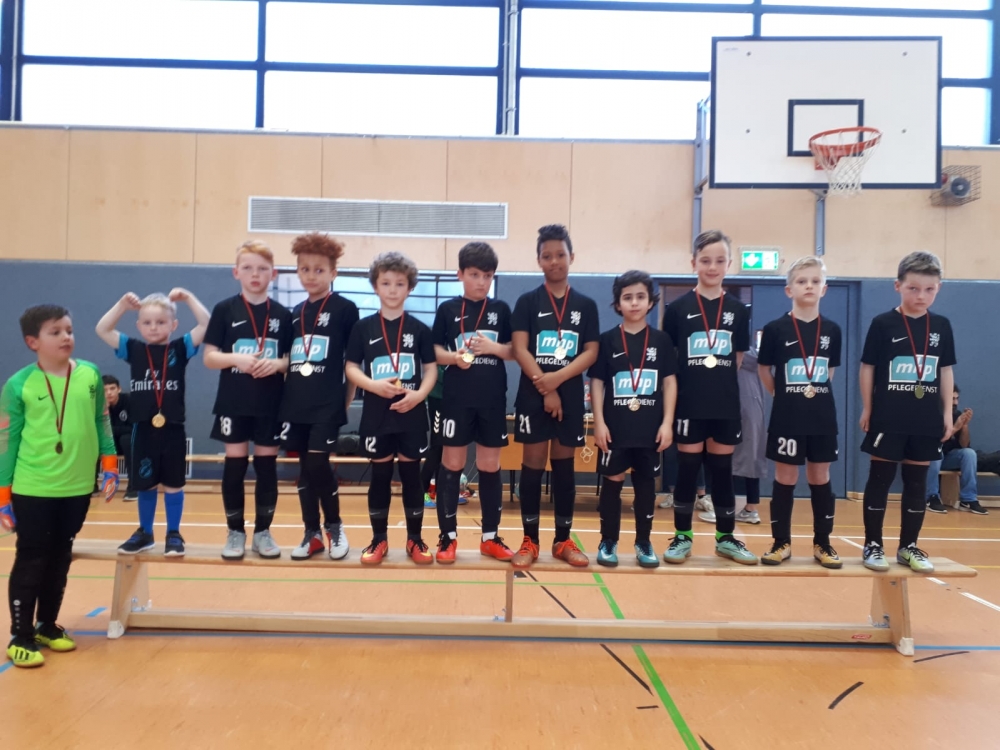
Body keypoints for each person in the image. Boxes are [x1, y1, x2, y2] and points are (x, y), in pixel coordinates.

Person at [2, 305, 119, 668]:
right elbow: (7, 440)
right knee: (32, 557)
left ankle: (47, 625)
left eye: (68, 330)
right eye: (55, 332)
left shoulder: (90, 375)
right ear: (33, 342)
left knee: (60, 556)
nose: (66, 337)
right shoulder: (18, 384)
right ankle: (20, 635)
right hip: (33, 488)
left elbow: (101, 421)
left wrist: (110, 464)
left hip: (77, 487)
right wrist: (3, 494)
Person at [661, 229, 757, 565]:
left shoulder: (738, 310)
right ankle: (682, 537)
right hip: (689, 402)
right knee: (688, 470)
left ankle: (726, 538)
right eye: (705, 260)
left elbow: (738, 359)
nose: (712, 267)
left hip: (724, 404)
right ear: (693, 263)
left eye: (719, 260)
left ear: (729, 264)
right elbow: (670, 360)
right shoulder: (678, 309)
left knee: (722, 471)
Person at [859, 251, 956, 573]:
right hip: (888, 416)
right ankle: (873, 544)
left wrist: (946, 414)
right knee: (880, 480)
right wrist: (868, 407)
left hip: (925, 419)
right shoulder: (883, 323)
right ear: (898, 286)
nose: (921, 296)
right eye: (913, 288)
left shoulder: (941, 325)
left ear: (938, 288)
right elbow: (868, 367)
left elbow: (945, 371)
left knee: (917, 483)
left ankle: (908, 546)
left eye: (929, 289)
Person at [510, 224, 600, 569]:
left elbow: (590, 351)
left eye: (560, 254)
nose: (554, 261)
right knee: (532, 466)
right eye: (547, 256)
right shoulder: (527, 302)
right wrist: (545, 388)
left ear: (571, 257)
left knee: (564, 468)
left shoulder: (586, 305)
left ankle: (563, 539)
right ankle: (530, 540)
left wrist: (557, 381)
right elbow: (520, 349)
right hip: (533, 394)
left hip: (570, 393)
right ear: (538, 261)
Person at [96, 289, 209, 557]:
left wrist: (189, 298)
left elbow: (206, 324)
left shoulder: (180, 348)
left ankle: (173, 534)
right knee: (144, 484)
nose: (154, 327)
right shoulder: (134, 349)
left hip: (172, 429)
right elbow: (103, 329)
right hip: (143, 428)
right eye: (147, 322)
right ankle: (145, 533)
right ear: (138, 326)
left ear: (173, 325)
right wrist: (122, 305)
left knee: (173, 484)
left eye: (160, 322)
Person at [345, 252, 438, 565]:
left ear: (410, 288)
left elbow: (431, 369)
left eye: (400, 283)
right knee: (380, 476)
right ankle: (378, 539)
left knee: (412, 477)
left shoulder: (420, 329)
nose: (393, 289)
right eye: (386, 283)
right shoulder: (363, 328)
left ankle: (415, 539)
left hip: (411, 413)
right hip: (377, 414)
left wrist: (419, 395)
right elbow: (351, 368)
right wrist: (373, 386)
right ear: (375, 286)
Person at [203, 240, 293, 560]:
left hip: (271, 403)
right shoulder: (224, 310)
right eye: (248, 268)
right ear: (236, 272)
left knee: (267, 468)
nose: (255, 274)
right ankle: (235, 532)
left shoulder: (283, 315)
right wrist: (235, 359)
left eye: (262, 269)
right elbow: (210, 357)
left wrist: (278, 364)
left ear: (274, 274)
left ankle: (263, 533)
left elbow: (290, 360)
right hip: (234, 401)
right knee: (235, 466)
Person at [431, 242, 515, 563]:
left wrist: (494, 348)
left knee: (489, 466)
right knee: (452, 464)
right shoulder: (448, 310)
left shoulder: (501, 309)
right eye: (475, 274)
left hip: (492, 400)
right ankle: (448, 538)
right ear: (460, 274)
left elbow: (516, 350)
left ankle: (490, 538)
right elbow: (433, 351)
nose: (481, 282)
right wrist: (454, 358)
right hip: (456, 400)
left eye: (488, 276)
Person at [757, 257, 843, 569]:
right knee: (785, 476)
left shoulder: (832, 330)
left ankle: (823, 543)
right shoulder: (775, 329)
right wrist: (782, 396)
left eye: (815, 281)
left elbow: (829, 371)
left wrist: (811, 394)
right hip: (787, 417)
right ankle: (781, 542)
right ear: (789, 290)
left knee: (820, 476)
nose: (809, 286)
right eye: (802, 281)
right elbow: (764, 370)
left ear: (824, 289)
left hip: (822, 417)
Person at [590, 270, 677, 567]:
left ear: (651, 302)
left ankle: (643, 542)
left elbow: (669, 383)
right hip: (615, 429)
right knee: (612, 483)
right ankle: (608, 541)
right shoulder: (607, 340)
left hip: (649, 429)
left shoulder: (662, 341)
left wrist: (667, 423)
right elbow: (597, 383)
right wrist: (599, 422)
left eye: (641, 297)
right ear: (618, 304)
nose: (635, 303)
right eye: (628, 297)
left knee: (645, 484)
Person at [280, 233, 359, 560]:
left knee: (318, 463)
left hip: (328, 403)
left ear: (333, 272)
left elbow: (352, 362)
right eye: (305, 269)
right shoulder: (295, 312)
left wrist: (345, 401)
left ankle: (335, 527)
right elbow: (289, 360)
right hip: (296, 404)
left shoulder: (345, 309)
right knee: (304, 468)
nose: (311, 276)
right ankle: (311, 532)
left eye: (319, 270)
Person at [926, 386, 988, 515]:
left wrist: (964, 426)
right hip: (930, 458)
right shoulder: (931, 414)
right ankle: (931, 497)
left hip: (948, 458)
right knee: (935, 453)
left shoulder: (956, 415)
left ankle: (968, 499)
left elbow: (964, 445)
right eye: (952, 399)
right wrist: (954, 428)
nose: (956, 402)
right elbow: (934, 444)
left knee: (969, 454)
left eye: (957, 398)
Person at [732, 344, 767, 524]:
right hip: (733, 404)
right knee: (725, 456)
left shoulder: (747, 352)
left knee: (751, 456)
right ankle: (726, 506)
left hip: (747, 407)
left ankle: (749, 508)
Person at [102, 374, 136, 500]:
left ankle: (133, 488)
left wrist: (111, 430)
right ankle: (91, 486)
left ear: (119, 389)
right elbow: (99, 430)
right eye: (105, 390)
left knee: (126, 439)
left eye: (112, 388)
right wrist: (105, 410)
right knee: (92, 443)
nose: (109, 393)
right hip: (110, 444)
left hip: (127, 444)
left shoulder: (129, 401)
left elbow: (133, 429)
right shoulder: (98, 406)